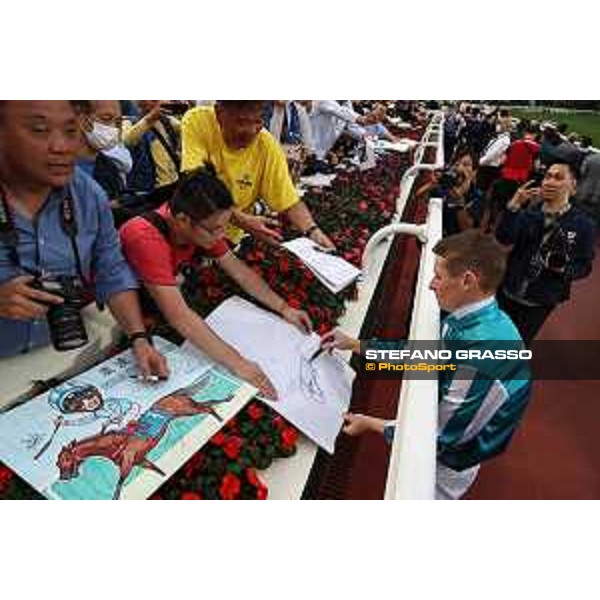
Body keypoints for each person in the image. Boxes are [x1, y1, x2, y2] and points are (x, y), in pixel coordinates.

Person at [320, 230, 532, 499]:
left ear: (467, 281)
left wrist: (371, 423)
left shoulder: (478, 354)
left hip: (448, 465)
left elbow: (438, 441)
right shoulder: (471, 317)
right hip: (456, 433)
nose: (431, 284)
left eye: (439, 276)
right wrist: (356, 344)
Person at [0, 100, 168, 380]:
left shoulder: (89, 195)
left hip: (56, 355)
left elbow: (111, 269)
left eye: (70, 131)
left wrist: (139, 339)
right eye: (40, 130)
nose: (62, 146)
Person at [120, 166, 313, 399]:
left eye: (225, 225)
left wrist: (285, 308)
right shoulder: (145, 237)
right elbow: (179, 316)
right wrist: (239, 364)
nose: (221, 236)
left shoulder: (203, 225)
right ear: (182, 220)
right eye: (215, 230)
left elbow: (238, 270)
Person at [181, 101, 334, 249]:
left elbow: (289, 201)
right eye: (242, 122)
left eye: (258, 121)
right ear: (219, 113)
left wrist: (313, 232)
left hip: (227, 240)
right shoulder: (198, 121)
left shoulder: (266, 145)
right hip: (193, 232)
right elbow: (195, 185)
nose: (251, 131)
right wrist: (243, 221)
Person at [495, 162, 596, 345]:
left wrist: (563, 268)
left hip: (540, 302)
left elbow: (584, 266)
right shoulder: (528, 214)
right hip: (507, 291)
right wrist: (513, 207)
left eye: (558, 177)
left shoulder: (584, 226)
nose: (549, 181)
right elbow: (504, 238)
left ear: (573, 186)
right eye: (547, 176)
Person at [122, 100, 181, 205]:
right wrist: (150, 119)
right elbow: (127, 141)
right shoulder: (129, 122)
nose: (158, 102)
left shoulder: (167, 121)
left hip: (172, 186)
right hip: (148, 191)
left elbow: (185, 128)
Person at [415, 149, 483, 236]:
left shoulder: (477, 196)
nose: (460, 168)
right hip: (438, 234)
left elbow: (467, 231)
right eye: (457, 164)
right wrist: (431, 184)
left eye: (466, 165)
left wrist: (458, 201)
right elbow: (418, 197)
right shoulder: (447, 187)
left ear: (474, 172)